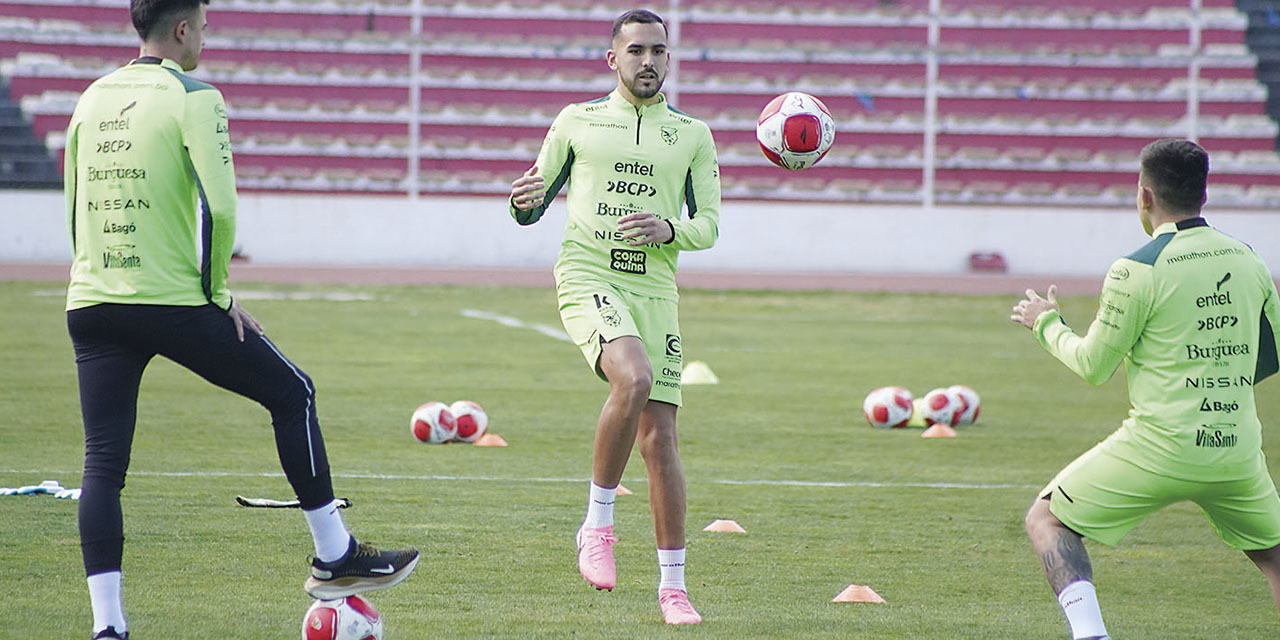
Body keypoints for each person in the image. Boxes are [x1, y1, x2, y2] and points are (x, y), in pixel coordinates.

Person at [63, 2, 419, 637]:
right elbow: (221, 207)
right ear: (180, 30)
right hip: (170, 300)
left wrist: (91, 280)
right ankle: (335, 556)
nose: (206, 35)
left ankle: (108, 628)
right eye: (202, 24)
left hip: (91, 300)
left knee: (102, 466)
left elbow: (74, 198)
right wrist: (219, 292)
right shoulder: (196, 95)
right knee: (293, 392)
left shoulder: (91, 97)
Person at [1010, 139, 1280, 640]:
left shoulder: (1136, 268)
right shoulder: (1250, 261)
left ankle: (1091, 635)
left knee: (1047, 519)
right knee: (1275, 555)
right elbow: (1270, 356)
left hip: (1158, 447)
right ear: (1204, 193)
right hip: (1235, 449)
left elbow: (1093, 365)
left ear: (1144, 196)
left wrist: (1047, 325)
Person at [507, 8, 721, 625]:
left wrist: (670, 227)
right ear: (613, 59)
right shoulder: (577, 121)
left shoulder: (692, 134)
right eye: (636, 52)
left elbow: (708, 224)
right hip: (589, 273)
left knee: (660, 442)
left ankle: (673, 589)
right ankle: (597, 525)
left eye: (658, 51)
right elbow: (534, 197)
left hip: (655, 288)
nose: (647, 61)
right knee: (632, 376)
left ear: (669, 58)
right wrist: (521, 202)